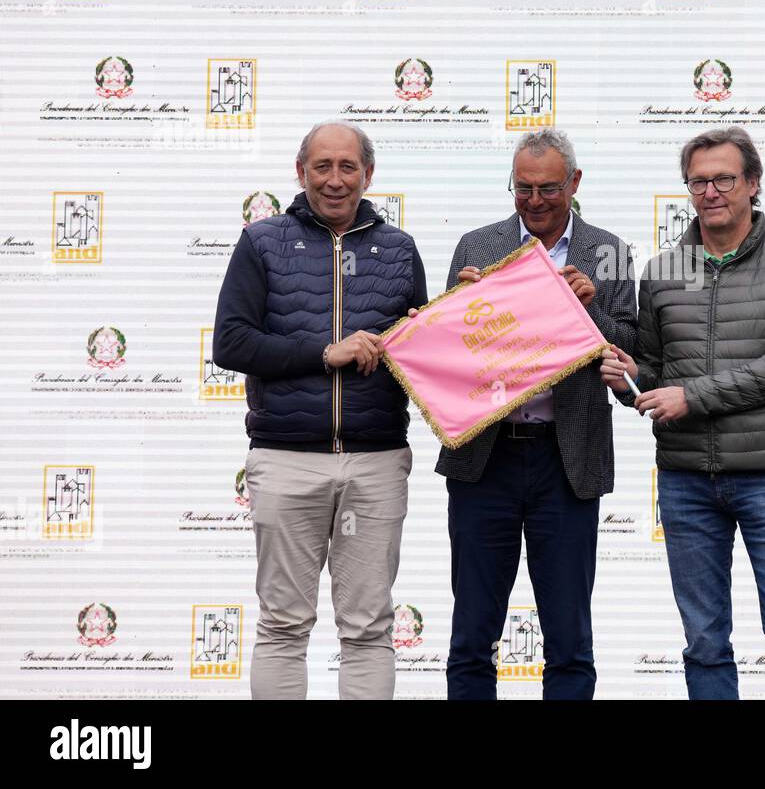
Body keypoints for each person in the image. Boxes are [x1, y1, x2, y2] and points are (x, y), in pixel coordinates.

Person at [601, 126, 765, 699]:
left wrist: (691, 396)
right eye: (698, 181)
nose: (711, 191)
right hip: (684, 482)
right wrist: (628, 381)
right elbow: (655, 373)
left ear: (753, 183)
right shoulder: (661, 272)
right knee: (704, 643)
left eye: (724, 178)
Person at [213, 121, 427, 700]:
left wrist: (466, 311)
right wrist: (324, 353)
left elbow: (424, 353)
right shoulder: (262, 242)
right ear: (300, 171)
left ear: (368, 174)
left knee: (368, 629)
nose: (335, 180)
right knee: (283, 625)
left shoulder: (400, 249)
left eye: (347, 167)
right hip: (285, 460)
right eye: (322, 167)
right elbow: (230, 343)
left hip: (377, 461)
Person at [437, 127, 636, 700]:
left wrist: (591, 310)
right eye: (522, 188)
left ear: (574, 182)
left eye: (548, 189)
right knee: (472, 635)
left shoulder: (609, 253)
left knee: (569, 640)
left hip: (566, 462)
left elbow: (633, 356)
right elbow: (448, 360)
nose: (534, 201)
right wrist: (457, 312)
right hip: (484, 459)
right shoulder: (475, 248)